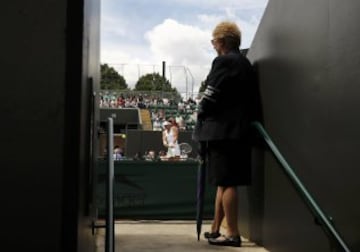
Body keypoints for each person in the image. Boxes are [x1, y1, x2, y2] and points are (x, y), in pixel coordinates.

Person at [192, 21, 256, 247]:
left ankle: (232, 234)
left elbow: (210, 97)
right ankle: (215, 228)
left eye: (213, 41)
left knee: (227, 183)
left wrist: (200, 113)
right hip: (239, 132)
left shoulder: (224, 61)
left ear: (221, 41)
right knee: (223, 182)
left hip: (222, 132)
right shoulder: (245, 64)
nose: (212, 46)